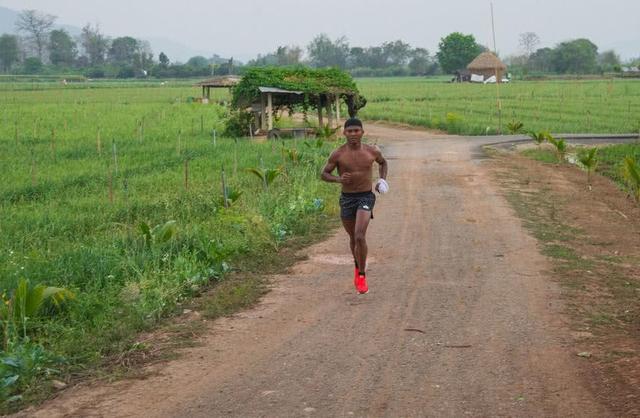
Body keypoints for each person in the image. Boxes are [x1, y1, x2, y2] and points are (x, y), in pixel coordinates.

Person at [321, 118, 388, 294]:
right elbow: (324, 174)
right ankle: (357, 265)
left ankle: (362, 275)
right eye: (349, 131)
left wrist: (382, 180)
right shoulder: (338, 154)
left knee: (359, 235)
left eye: (356, 131)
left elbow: (383, 162)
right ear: (344, 133)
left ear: (362, 132)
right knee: (352, 238)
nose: (353, 134)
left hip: (366, 196)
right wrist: (338, 179)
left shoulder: (372, 151)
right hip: (347, 198)